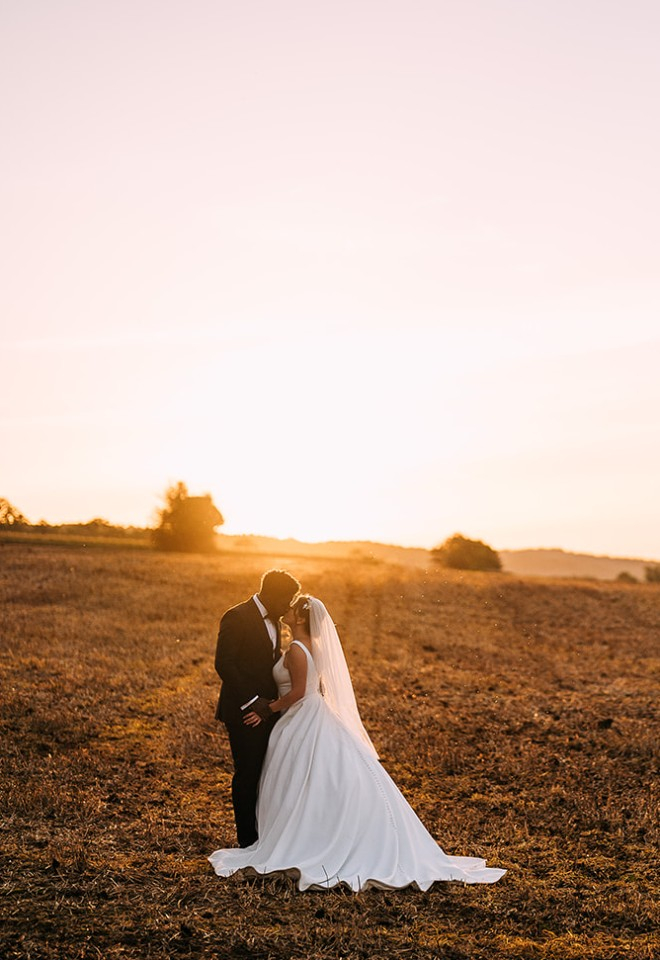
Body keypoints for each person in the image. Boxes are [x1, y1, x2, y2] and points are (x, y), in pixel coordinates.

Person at [209, 595, 506, 890]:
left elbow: (299, 692)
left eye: (291, 607)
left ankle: (303, 838)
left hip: (300, 715)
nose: (285, 609)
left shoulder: (298, 651)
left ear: (300, 618)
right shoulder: (313, 647)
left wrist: (268, 708)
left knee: (302, 778)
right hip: (309, 714)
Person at [214, 569, 300, 847]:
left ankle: (266, 834)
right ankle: (247, 842)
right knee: (247, 773)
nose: (288, 606)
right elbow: (225, 664)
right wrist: (254, 701)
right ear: (271, 595)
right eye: (286, 599)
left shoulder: (276, 621)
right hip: (244, 711)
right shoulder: (237, 617)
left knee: (267, 772)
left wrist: (273, 706)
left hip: (269, 711)